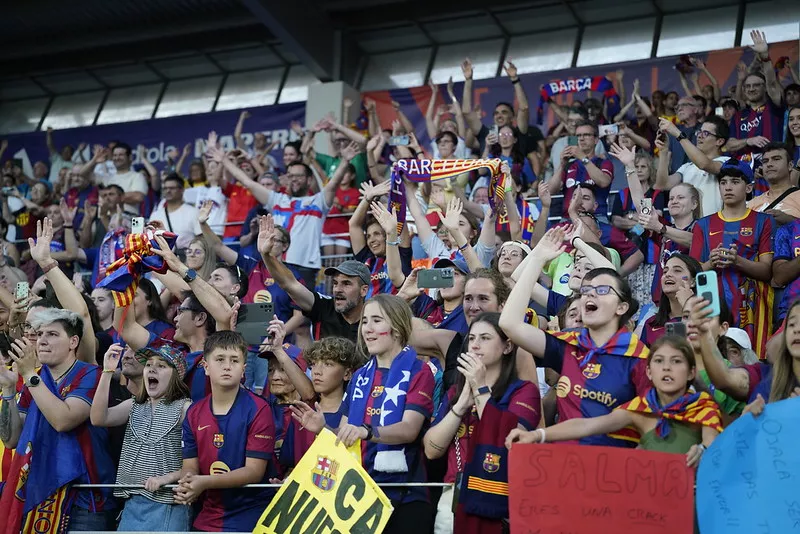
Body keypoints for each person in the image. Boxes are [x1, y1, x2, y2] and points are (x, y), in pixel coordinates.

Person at [291, 295, 435, 534]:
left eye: (377, 320)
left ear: (397, 328)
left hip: (406, 496)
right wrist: (324, 429)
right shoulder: (360, 376)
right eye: (365, 321)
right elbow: (347, 436)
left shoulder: (419, 371)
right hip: (361, 496)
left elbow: (409, 430)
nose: (367, 329)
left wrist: (367, 432)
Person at [500, 228, 650, 448]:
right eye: (587, 290)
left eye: (601, 290)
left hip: (616, 471)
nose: (589, 293)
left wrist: (578, 241)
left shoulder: (639, 357)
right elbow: (509, 324)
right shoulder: (570, 344)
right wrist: (537, 258)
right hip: (565, 470)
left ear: (622, 307)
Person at [506, 336, 721, 467]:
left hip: (694, 505)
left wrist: (702, 449)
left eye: (676, 362)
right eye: (659, 361)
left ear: (692, 371)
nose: (666, 368)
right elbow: (587, 425)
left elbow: (713, 444)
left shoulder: (702, 406)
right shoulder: (640, 409)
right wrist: (536, 434)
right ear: (648, 371)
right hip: (651, 507)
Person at [424, 312, 540, 534]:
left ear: (507, 347)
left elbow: (511, 440)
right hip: (453, 494)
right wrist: (459, 408)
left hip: (500, 495)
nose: (475, 345)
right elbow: (431, 450)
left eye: (485, 338)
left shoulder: (524, 391)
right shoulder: (455, 393)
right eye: (472, 338)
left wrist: (481, 389)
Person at [0, 310, 117, 531]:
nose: (42, 340)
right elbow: (11, 439)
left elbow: (63, 420)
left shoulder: (90, 374)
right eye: (40, 333)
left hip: (84, 500)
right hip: (39, 495)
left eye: (52, 334)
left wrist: (29, 376)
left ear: (73, 341)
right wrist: (7, 389)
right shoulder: (35, 380)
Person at [176, 330, 277, 532]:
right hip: (208, 516)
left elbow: (253, 472)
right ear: (206, 367)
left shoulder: (259, 409)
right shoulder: (194, 412)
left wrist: (203, 483)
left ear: (244, 370)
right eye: (220, 359)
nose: (227, 366)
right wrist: (188, 482)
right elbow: (190, 466)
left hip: (252, 516)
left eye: (234, 360)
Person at [89, 344, 191, 531]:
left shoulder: (185, 408)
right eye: (149, 364)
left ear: (177, 374)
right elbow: (98, 418)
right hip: (132, 504)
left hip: (168, 504)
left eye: (161, 365)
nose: (152, 368)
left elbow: (198, 462)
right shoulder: (134, 404)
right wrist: (107, 372)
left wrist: (166, 478)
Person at [690, 160, 774, 353]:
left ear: (749, 188)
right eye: (723, 182)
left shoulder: (763, 221)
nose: (728, 187)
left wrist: (738, 261)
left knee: (749, 360)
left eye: (735, 182)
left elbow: (767, 271)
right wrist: (711, 262)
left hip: (752, 307)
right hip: (712, 305)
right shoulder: (702, 225)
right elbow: (692, 275)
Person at [258, 214, 368, 342]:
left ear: (364, 290)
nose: (338, 289)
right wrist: (265, 255)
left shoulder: (375, 317)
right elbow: (289, 284)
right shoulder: (323, 307)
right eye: (335, 283)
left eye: (346, 283)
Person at [655, 115, 731, 217]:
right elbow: (662, 185)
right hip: (685, 229)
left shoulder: (726, 162)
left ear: (720, 141)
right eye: (699, 132)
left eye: (706, 133)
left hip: (710, 228)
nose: (700, 136)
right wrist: (664, 151)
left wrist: (678, 134)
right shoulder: (687, 167)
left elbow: (704, 164)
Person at [348, 180, 413, 297]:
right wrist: (368, 198)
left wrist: (392, 198)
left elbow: (399, 220)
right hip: (368, 314)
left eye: (377, 234)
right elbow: (354, 225)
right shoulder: (366, 259)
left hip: (395, 313)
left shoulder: (401, 254)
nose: (371, 240)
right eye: (368, 236)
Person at [548, 121, 613, 222]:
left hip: (597, 218)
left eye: (586, 135)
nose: (581, 139)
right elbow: (551, 190)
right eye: (578, 136)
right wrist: (562, 165)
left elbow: (604, 182)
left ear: (596, 140)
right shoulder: (569, 165)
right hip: (568, 218)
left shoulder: (604, 163)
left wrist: (583, 158)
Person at [639, 254, 700, 346]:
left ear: (692, 282)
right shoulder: (651, 323)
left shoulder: (706, 318)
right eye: (665, 271)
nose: (668, 275)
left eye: (677, 270)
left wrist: (687, 305)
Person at [747, 142, 800, 223]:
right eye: (765, 161)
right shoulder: (751, 204)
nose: (769, 164)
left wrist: (790, 221)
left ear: (790, 165)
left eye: (776, 159)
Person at [147, 173, 202, 250]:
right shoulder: (155, 215)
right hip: (161, 259)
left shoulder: (193, 212)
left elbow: (201, 240)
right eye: (165, 188)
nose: (168, 191)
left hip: (185, 259)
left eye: (172, 188)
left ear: (182, 189)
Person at [321, 163, 360, 257]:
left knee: (340, 263)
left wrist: (339, 206)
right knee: (328, 262)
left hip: (343, 231)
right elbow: (321, 174)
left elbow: (353, 213)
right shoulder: (331, 189)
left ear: (352, 176)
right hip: (327, 230)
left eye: (345, 173)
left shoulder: (355, 193)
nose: (342, 175)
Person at [104, 143, 148, 214]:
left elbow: (138, 197)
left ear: (130, 157)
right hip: (106, 218)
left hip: (131, 218)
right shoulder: (107, 178)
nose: (117, 158)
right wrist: (94, 160)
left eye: (121, 155)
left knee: (137, 224)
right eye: (115, 155)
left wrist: (110, 198)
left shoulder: (137, 176)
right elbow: (83, 175)